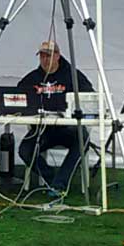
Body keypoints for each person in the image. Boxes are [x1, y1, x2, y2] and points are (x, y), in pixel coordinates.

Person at [16, 41, 94, 196]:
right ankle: (53, 179)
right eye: (42, 56)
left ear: (58, 56)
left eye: (49, 55)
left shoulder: (72, 75)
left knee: (82, 140)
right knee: (25, 150)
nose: (45, 60)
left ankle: (60, 183)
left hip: (68, 128)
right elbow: (16, 96)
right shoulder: (33, 77)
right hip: (43, 130)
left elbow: (90, 96)